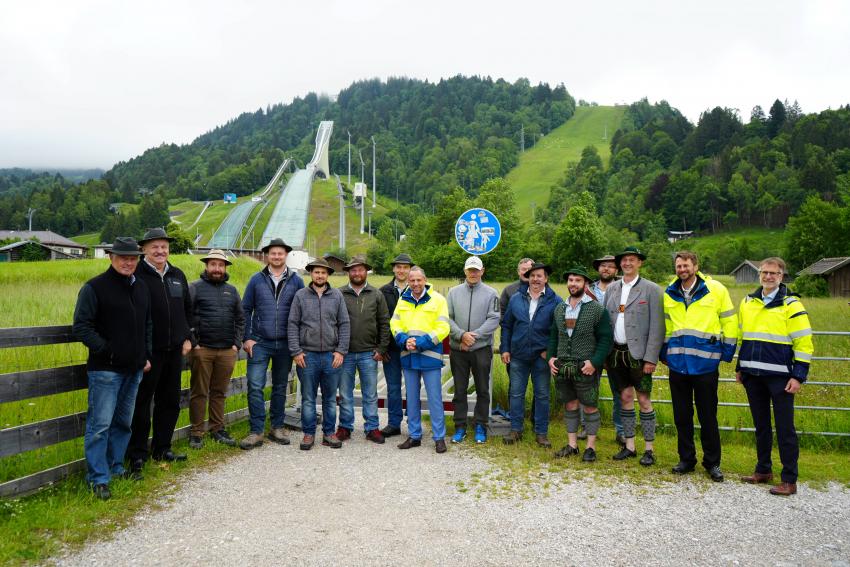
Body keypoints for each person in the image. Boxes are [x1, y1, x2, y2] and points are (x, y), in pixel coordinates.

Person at [72, 237, 152, 500]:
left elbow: (147, 325)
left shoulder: (140, 287)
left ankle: (116, 467)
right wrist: (108, 350)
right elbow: (81, 327)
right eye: (123, 257)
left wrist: (145, 355)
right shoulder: (95, 287)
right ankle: (98, 478)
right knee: (100, 425)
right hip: (105, 370)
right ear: (111, 257)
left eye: (133, 258)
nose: (128, 262)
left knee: (123, 423)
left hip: (134, 369)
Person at [736, 257, 813, 496]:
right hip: (752, 375)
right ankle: (763, 470)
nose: (768, 277)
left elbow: (804, 343)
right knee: (761, 426)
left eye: (774, 273)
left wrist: (798, 376)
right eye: (765, 272)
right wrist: (740, 367)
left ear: (782, 276)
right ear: (759, 274)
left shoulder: (792, 305)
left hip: (781, 377)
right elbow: (743, 337)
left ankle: (789, 479)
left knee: (785, 429)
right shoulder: (747, 302)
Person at [661, 250, 737, 482]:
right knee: (682, 416)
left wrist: (727, 352)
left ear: (695, 266)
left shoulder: (716, 290)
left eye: (686, 265)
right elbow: (667, 326)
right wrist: (664, 353)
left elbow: (729, 321)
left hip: (705, 364)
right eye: (678, 266)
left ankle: (712, 463)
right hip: (678, 365)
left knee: (707, 416)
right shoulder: (669, 292)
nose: (682, 269)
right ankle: (686, 459)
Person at [127, 228, 192, 475]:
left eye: (164, 246)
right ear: (144, 249)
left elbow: (187, 310)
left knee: (170, 401)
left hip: (174, 351)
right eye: (154, 246)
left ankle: (162, 448)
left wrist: (189, 337)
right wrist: (139, 350)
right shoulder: (136, 275)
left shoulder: (177, 275)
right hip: (148, 353)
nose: (160, 251)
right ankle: (137, 454)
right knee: (141, 403)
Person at [239, 238, 305, 450]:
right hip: (260, 342)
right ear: (267, 255)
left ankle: (277, 427)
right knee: (255, 385)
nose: (277, 256)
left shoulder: (296, 281)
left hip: (285, 343)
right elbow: (245, 309)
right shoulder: (256, 280)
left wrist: (297, 342)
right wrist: (247, 337)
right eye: (273, 253)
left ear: (286, 255)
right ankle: (256, 431)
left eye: (280, 253)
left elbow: (302, 311)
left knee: (280, 386)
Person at [603, 247, 665, 465]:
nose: (627, 263)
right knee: (625, 398)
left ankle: (649, 449)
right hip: (616, 353)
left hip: (639, 355)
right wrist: (604, 354)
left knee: (644, 400)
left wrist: (651, 358)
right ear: (620, 264)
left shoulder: (652, 289)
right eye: (624, 260)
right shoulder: (612, 288)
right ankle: (629, 446)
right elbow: (605, 323)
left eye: (632, 260)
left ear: (639, 263)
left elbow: (658, 327)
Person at [547, 266, 613, 462]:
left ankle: (590, 447)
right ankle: (572, 445)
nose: (573, 284)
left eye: (577, 280)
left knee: (590, 406)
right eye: (570, 280)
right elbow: (553, 336)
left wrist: (595, 362)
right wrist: (551, 357)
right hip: (562, 367)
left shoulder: (597, 309)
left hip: (586, 367)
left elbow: (605, 339)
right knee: (570, 404)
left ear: (585, 284)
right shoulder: (560, 308)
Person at [288, 257, 350, 450]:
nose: (320, 275)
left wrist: (340, 351)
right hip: (307, 356)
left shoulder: (337, 296)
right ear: (311, 273)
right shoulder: (300, 296)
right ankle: (308, 434)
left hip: (331, 356)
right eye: (317, 272)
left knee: (330, 398)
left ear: (328, 275)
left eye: (323, 272)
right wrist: (296, 351)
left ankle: (329, 433)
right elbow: (292, 324)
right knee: (308, 398)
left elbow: (344, 324)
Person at [390, 266, 451, 453]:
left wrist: (421, 342)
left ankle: (439, 438)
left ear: (425, 280)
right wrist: (403, 339)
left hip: (429, 357)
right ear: (408, 281)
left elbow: (443, 327)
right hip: (408, 356)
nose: (416, 283)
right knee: (412, 399)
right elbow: (394, 323)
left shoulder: (438, 300)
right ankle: (414, 435)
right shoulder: (403, 300)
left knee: (434, 399)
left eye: (419, 280)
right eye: (412, 280)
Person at [187, 249, 245, 450]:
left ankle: (217, 429)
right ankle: (196, 432)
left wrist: (236, 344)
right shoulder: (194, 287)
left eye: (221, 265)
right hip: (203, 350)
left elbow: (240, 319)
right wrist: (194, 342)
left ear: (225, 267)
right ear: (207, 266)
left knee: (219, 392)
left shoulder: (232, 291)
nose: (217, 268)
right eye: (213, 264)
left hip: (227, 351)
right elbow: (186, 316)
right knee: (199, 392)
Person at [500, 262, 562, 447]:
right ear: (528, 278)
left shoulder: (556, 301)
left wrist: (550, 352)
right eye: (532, 276)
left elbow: (559, 330)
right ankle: (515, 429)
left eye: (539, 276)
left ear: (546, 278)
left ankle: (541, 433)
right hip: (518, 355)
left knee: (542, 395)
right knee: (516, 393)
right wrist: (505, 348)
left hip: (541, 358)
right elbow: (507, 325)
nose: (535, 279)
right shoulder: (516, 298)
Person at [447, 256, 500, 444]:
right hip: (459, 348)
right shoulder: (453, 293)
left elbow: (494, 319)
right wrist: (461, 335)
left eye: (476, 270)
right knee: (459, 390)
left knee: (483, 390)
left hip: (481, 349)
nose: (473, 273)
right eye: (470, 270)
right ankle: (460, 426)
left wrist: (473, 337)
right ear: (465, 271)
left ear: (482, 271)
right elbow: (447, 318)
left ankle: (480, 425)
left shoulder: (491, 293)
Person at [338, 255, 391, 444]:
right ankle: (345, 427)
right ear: (348, 272)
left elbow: (384, 323)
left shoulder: (376, 294)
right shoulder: (339, 294)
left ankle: (372, 427)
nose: (357, 273)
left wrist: (381, 348)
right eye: (353, 270)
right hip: (345, 353)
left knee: (370, 393)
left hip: (369, 353)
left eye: (360, 269)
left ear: (366, 271)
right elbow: (332, 322)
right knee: (345, 393)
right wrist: (337, 349)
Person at [379, 253, 414, 437]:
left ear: (410, 270)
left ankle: (413, 423)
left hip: (412, 347)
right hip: (391, 349)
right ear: (393, 269)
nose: (401, 270)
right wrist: (382, 347)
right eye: (398, 267)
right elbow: (379, 321)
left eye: (405, 267)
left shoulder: (417, 289)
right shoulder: (383, 291)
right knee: (393, 388)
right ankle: (394, 423)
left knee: (412, 387)